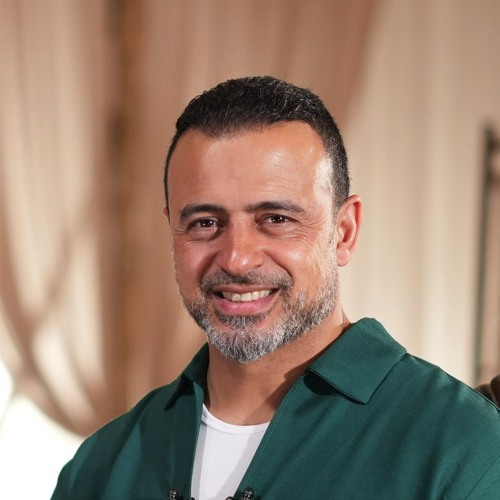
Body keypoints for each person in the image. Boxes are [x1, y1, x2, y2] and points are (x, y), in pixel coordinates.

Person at [52, 76, 500, 499]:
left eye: (276, 219)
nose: (237, 258)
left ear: (344, 232)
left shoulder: (466, 448)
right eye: (205, 223)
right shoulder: (100, 467)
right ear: (172, 230)